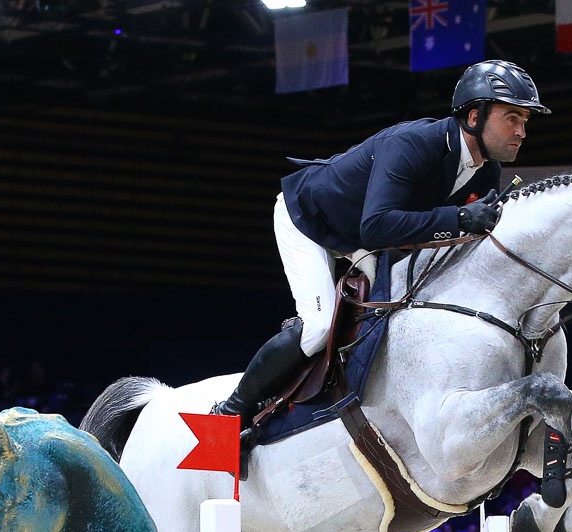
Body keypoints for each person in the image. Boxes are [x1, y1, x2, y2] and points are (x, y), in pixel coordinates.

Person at [213, 60, 545, 435]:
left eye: (526, 121)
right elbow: (376, 227)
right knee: (319, 328)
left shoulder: (487, 171)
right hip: (310, 219)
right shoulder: (412, 144)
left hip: (362, 239)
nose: (521, 131)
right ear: (473, 116)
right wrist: (460, 219)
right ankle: (231, 410)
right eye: (512, 117)